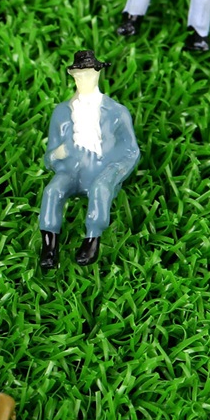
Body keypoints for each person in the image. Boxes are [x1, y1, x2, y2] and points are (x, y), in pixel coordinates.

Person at [38, 51, 140, 270]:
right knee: (52, 191)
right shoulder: (61, 112)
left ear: (97, 74)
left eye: (87, 74)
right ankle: (49, 245)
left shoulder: (117, 112)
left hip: (101, 168)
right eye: (78, 74)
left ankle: (92, 240)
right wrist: (57, 154)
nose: (82, 79)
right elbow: (49, 155)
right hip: (71, 170)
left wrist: (115, 171)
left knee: (100, 189)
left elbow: (131, 150)